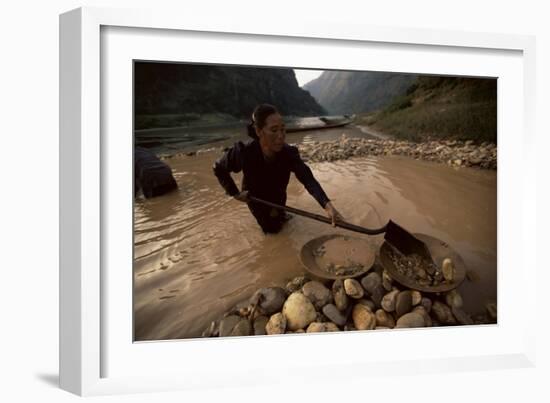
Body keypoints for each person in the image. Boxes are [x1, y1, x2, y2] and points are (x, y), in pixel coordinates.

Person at [213, 103, 342, 234]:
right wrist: (235, 193)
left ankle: (281, 216)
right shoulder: (244, 152)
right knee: (272, 231)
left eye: (283, 129)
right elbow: (218, 168)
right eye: (274, 130)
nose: (281, 135)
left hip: (279, 195)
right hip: (256, 199)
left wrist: (327, 206)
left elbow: (307, 178)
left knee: (281, 217)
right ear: (259, 131)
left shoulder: (288, 153)